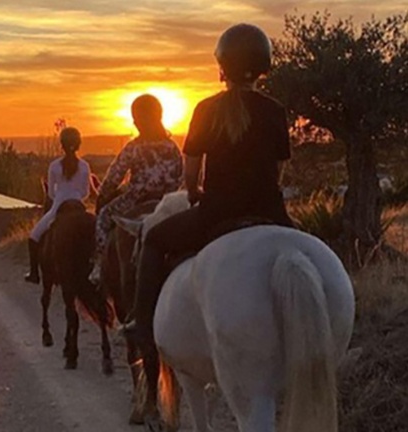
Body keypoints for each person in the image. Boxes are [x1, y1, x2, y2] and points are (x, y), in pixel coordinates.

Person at [124, 23, 294, 345]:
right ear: (263, 68)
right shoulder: (275, 110)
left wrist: (192, 192)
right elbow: (278, 170)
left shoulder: (206, 109)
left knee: (154, 241)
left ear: (222, 68)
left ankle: (141, 324)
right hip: (271, 211)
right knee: (313, 251)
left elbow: (191, 166)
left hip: (218, 212)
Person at [89, 94, 183, 283]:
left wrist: (102, 195)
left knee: (104, 217)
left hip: (136, 198)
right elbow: (180, 176)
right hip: (168, 201)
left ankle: (99, 266)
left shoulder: (134, 147)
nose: (135, 122)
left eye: (136, 118)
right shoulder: (172, 147)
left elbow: (114, 177)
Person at [24, 127, 91, 284]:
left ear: (61, 144)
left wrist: (60, 196)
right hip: (79, 206)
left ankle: (34, 274)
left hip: (59, 206)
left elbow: (51, 195)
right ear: (79, 144)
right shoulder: (85, 166)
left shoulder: (54, 166)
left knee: (33, 237)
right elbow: (85, 192)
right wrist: (76, 196)